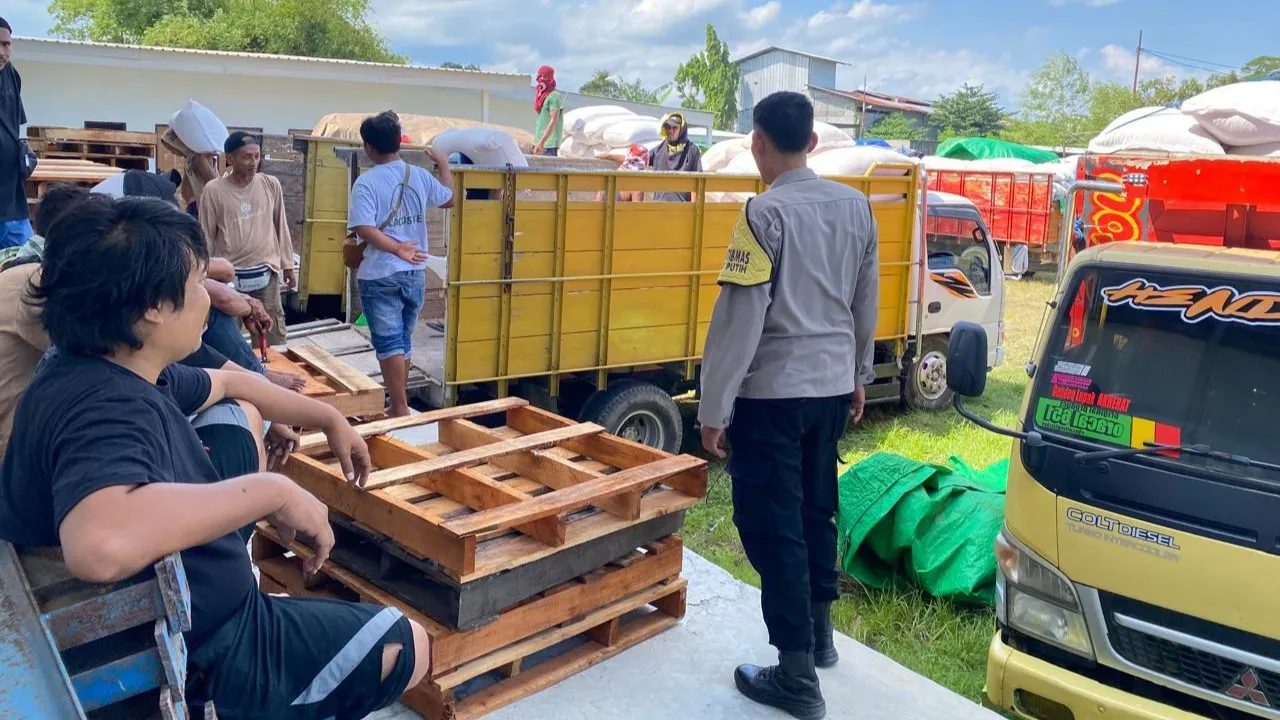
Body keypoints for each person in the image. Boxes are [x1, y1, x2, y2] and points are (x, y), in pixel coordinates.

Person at [0, 196, 431, 719]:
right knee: (406, 643)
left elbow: (229, 381)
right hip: (208, 653)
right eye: (197, 285)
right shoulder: (106, 406)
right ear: (151, 309)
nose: (208, 300)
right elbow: (99, 544)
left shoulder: (97, 366)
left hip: (194, 617)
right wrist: (270, 491)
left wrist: (330, 419)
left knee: (236, 410)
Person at [697, 91, 879, 720]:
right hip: (830, 391)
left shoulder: (763, 216)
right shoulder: (857, 208)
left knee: (774, 527)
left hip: (773, 397)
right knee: (815, 512)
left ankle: (796, 675)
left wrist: (713, 408)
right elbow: (864, 301)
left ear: (758, 142)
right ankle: (821, 638)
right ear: (812, 142)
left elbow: (739, 319)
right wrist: (860, 374)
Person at [348, 111, 454, 417]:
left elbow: (364, 228)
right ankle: (399, 403)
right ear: (399, 143)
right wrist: (444, 165)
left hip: (381, 273)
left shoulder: (366, 183)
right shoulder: (419, 175)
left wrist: (395, 249)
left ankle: (399, 406)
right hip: (414, 273)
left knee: (388, 342)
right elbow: (448, 198)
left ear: (368, 146)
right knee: (403, 339)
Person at [200, 131, 297, 346]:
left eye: (257, 156)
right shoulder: (214, 190)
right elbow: (205, 234)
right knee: (227, 338)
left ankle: (271, 372)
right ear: (230, 159)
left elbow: (281, 225)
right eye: (246, 157)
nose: (253, 162)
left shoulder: (270, 184)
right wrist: (203, 274)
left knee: (271, 333)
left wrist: (288, 265)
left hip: (266, 275)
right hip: (230, 278)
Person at [0, 16, 32, 249]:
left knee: (24, 266)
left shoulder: (12, 75)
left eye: (6, 44)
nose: (2, 51)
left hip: (12, 199)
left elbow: (14, 127)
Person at [649, 112, 703, 202]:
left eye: (675, 128)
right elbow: (640, 160)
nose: (670, 130)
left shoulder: (692, 151)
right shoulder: (658, 150)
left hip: (683, 209)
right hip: (660, 207)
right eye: (668, 127)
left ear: (682, 129)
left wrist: (694, 211)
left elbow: (697, 182)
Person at [531, 65, 564, 156]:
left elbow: (553, 120)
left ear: (551, 78)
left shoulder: (554, 96)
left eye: (545, 76)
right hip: (538, 142)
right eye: (540, 76)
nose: (541, 79)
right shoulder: (541, 96)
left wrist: (542, 142)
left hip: (549, 145)